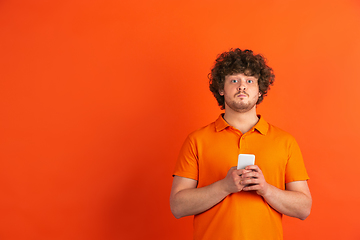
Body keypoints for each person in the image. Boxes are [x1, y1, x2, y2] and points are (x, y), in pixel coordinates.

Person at [170, 48, 312, 240]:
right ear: (221, 88)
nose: (242, 86)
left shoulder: (285, 141)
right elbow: (178, 207)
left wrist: (265, 189)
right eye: (234, 80)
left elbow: (303, 208)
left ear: (260, 90)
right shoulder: (196, 140)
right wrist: (224, 186)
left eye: (250, 81)